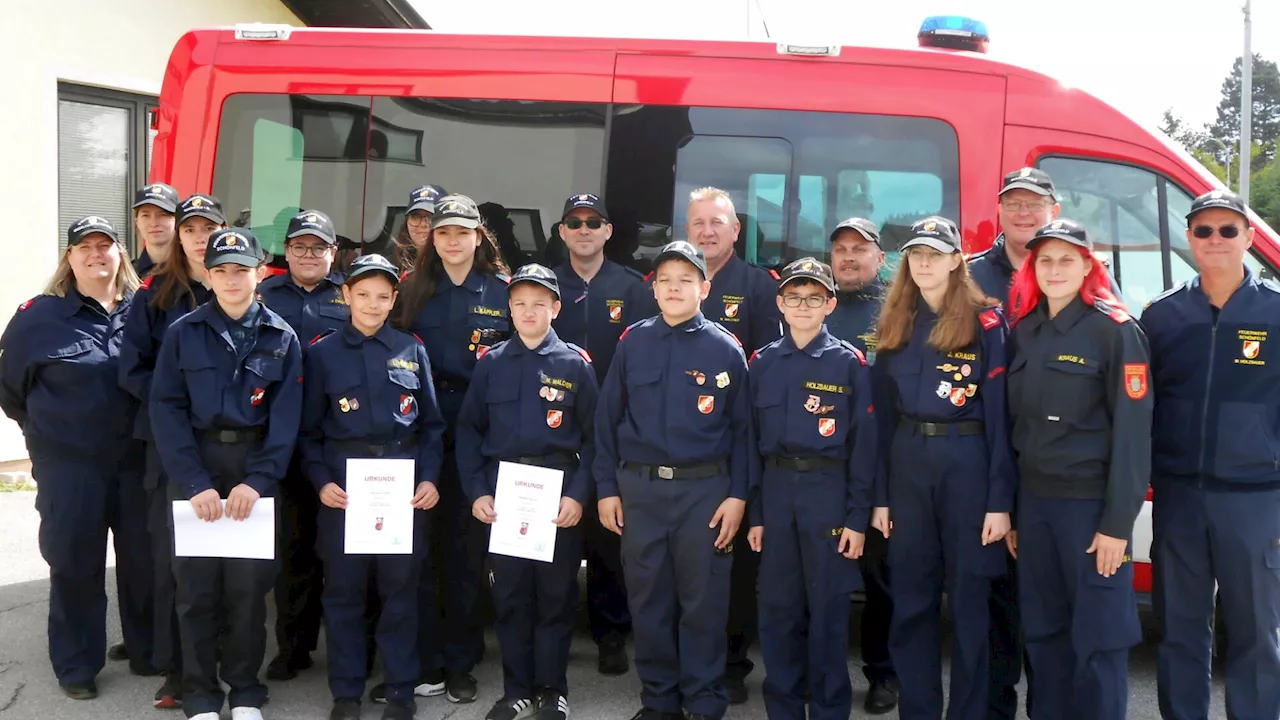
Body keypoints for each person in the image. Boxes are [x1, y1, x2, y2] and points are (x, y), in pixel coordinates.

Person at [594, 240, 754, 720]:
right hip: (640, 491)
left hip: (704, 493)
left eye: (686, 279)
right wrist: (606, 489)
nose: (674, 288)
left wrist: (738, 496)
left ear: (705, 288)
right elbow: (606, 423)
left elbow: (745, 434)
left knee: (703, 603)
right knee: (648, 601)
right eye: (665, 279)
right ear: (654, 288)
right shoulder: (633, 342)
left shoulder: (726, 350)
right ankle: (659, 699)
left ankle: (704, 699)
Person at [149, 228, 303, 720]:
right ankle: (199, 695)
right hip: (195, 469)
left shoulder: (282, 337)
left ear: (259, 273)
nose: (232, 280)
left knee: (247, 592)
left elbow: (286, 419)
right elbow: (166, 410)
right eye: (222, 271)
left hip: (253, 473)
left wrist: (257, 482)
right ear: (208, 276)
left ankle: (244, 691)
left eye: (242, 270)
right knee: (194, 592)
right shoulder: (183, 333)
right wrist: (193, 482)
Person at [1144, 189, 1280, 720]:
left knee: (1255, 634)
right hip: (1179, 496)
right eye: (1204, 230)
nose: (1216, 240)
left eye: (1228, 230)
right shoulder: (1162, 316)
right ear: (1189, 238)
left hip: (1255, 498)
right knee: (1179, 632)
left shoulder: (1275, 312)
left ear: (1249, 238)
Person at [1005, 219, 1149, 720]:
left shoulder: (1115, 331)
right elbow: (1016, 431)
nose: (1055, 268)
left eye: (1067, 259)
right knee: (1043, 637)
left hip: (1090, 514)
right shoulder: (1025, 331)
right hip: (1036, 508)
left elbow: (1133, 438)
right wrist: (1019, 514)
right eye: (1045, 259)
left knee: (1100, 641)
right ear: (1033, 267)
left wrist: (1116, 526)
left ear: (1088, 266)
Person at [871, 217, 1014, 720]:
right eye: (915, 253)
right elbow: (881, 421)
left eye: (936, 252)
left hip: (968, 466)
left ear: (958, 260)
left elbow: (1001, 419)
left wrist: (1000, 502)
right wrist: (881, 496)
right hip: (909, 465)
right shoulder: (896, 321)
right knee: (911, 602)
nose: (925, 261)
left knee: (972, 606)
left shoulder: (988, 324)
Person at [0, 216, 147, 699]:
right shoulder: (38, 317)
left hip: (136, 460)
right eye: (85, 247)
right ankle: (77, 665)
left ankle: (148, 650)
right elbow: (10, 391)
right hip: (69, 467)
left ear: (120, 254)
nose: (96, 254)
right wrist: (48, 434)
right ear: (69, 257)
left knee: (144, 561)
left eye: (106, 246)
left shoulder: (143, 307)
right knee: (75, 564)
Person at [298, 253, 446, 720]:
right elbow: (308, 433)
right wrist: (321, 482)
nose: (372, 303)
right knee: (343, 592)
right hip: (345, 489)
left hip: (401, 487)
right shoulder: (321, 353)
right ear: (346, 295)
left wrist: (429, 479)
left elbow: (432, 427)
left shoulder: (411, 348)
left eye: (383, 296)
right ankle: (346, 692)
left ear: (394, 299)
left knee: (400, 592)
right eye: (363, 294)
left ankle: (400, 688)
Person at [457, 263, 598, 720]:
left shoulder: (575, 364)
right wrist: (477, 490)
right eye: (520, 303)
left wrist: (578, 495)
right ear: (510, 309)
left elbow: (596, 439)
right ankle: (516, 689)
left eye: (540, 303)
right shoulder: (492, 364)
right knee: (512, 598)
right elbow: (469, 431)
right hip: (507, 494)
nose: (529, 311)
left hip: (556, 495)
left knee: (556, 598)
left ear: (556, 308)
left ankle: (552, 690)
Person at [389, 193, 511, 706]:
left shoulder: (505, 290)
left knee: (465, 554)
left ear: (478, 236)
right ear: (431, 239)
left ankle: (461, 663)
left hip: (479, 431)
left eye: (463, 232)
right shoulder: (411, 289)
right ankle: (422, 660)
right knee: (418, 550)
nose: (453, 241)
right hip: (419, 430)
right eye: (443, 232)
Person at [746, 257, 876, 720]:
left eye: (814, 298)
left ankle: (828, 709)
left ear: (830, 305)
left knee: (828, 614)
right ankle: (783, 708)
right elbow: (749, 446)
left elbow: (864, 448)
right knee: (779, 613)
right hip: (778, 492)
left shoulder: (849, 364)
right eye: (795, 297)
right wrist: (756, 514)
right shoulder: (760, 363)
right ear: (780, 303)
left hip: (828, 492)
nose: (803, 305)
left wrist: (857, 518)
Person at [119, 192, 224, 710]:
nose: (199, 238)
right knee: (176, 560)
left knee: (232, 558)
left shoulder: (240, 288)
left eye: (208, 229)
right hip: (171, 443)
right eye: (190, 229)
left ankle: (226, 662)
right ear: (178, 236)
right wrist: (178, 405)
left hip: (232, 448)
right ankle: (178, 671)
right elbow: (132, 369)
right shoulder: (154, 294)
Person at [967, 167, 1062, 720]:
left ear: (1053, 208)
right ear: (999, 210)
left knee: (1048, 602)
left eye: (1034, 204)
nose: (1023, 213)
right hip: (989, 460)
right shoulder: (973, 276)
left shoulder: (1075, 268)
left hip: (1054, 461)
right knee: (996, 602)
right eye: (1013, 204)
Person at [549, 192, 644, 675]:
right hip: (555, 428)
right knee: (558, 536)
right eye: (574, 222)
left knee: (610, 536)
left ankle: (611, 635)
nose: (584, 229)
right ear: (562, 232)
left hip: (614, 427)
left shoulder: (632, 288)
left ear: (608, 230)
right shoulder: (546, 287)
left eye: (594, 221)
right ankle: (555, 634)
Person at [257, 209, 350, 682]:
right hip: (284, 438)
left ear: (334, 254)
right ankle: (292, 647)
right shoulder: (264, 295)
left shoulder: (351, 296)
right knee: (291, 549)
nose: (309, 254)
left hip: (339, 440)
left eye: (319, 247)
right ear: (286, 252)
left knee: (346, 552)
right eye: (300, 246)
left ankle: (353, 651)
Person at [821, 217, 898, 714]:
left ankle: (883, 674)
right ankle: (819, 671)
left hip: (887, 466)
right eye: (841, 249)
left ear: (881, 258)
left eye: (860, 249)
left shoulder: (899, 308)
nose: (848, 257)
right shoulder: (814, 303)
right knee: (823, 576)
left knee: (883, 578)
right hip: (827, 464)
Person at [394, 184, 448, 273]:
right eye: (415, 217)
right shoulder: (390, 263)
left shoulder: (456, 266)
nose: (423, 224)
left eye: (431, 216)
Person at [133, 183, 180, 278]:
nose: (154, 223)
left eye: (162, 215)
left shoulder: (194, 271)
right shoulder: (127, 274)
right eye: (146, 215)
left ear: (178, 220)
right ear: (137, 222)